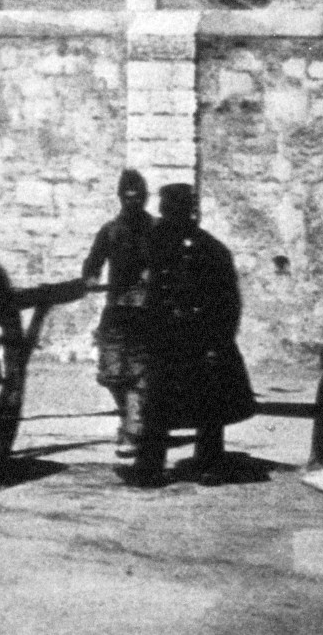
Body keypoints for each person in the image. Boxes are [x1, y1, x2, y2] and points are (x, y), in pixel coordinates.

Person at [133, 183, 257, 486]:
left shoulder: (211, 249)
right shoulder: (152, 244)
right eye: (166, 210)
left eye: (175, 210)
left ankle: (209, 462)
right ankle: (150, 465)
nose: (167, 217)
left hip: (200, 336)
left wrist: (219, 340)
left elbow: (228, 302)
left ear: (188, 212)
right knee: (157, 402)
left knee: (209, 401)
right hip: (165, 336)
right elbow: (142, 289)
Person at [81, 169, 157, 458]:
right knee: (111, 373)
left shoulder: (157, 230)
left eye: (138, 198)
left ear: (145, 198)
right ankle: (129, 417)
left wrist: (154, 277)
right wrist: (90, 278)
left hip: (146, 313)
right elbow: (93, 262)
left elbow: (171, 265)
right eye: (128, 198)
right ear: (120, 198)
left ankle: (133, 430)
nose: (133, 203)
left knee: (138, 372)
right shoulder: (110, 231)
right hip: (116, 311)